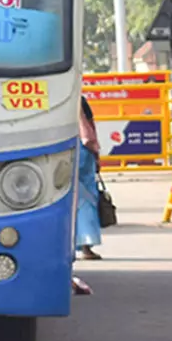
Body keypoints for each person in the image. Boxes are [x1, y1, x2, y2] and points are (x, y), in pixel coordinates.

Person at [76, 97, 103, 261]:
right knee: (86, 199)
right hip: (83, 151)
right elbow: (89, 129)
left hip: (58, 150)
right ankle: (86, 245)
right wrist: (97, 155)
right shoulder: (80, 101)